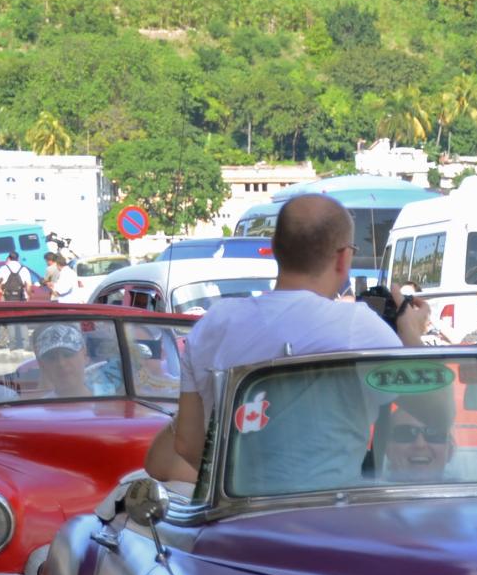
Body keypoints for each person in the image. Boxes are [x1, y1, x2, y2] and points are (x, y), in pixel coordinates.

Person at [145, 193, 428, 485]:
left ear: (276, 251)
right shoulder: (357, 326)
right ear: (343, 258)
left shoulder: (213, 324)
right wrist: (410, 332)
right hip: (323, 514)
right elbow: (437, 414)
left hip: (234, 515)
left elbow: (188, 446)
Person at [27, 321, 122, 397]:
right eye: (52, 357)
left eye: (68, 354)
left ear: (84, 355)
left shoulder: (114, 398)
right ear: (42, 365)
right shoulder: (39, 411)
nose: (61, 363)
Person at [370, 398, 455, 482]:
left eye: (433, 434)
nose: (420, 444)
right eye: (405, 433)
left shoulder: (466, 490)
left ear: (450, 451)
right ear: (387, 449)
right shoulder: (366, 492)